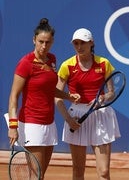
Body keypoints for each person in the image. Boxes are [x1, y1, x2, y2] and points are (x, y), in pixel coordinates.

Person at [7, 18, 80, 180]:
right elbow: (14, 96)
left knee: (40, 176)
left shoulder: (52, 60)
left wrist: (68, 96)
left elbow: (49, 89)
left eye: (48, 42)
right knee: (36, 177)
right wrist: (13, 125)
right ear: (34, 40)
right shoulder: (25, 63)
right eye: (40, 42)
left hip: (49, 124)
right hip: (32, 124)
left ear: (52, 42)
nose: (44, 46)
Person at [55, 28, 121, 180]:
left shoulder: (104, 63)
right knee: (78, 171)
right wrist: (69, 120)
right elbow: (57, 96)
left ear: (92, 43)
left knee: (104, 172)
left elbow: (112, 92)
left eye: (83, 43)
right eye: (76, 43)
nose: (79, 46)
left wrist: (103, 99)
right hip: (76, 117)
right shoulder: (67, 65)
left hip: (101, 116)